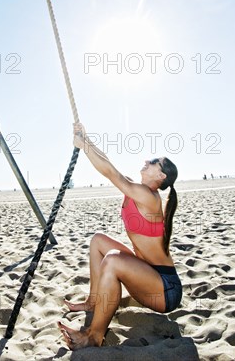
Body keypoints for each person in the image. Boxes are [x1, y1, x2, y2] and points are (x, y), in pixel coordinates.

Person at [58, 123, 182, 350]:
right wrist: (87, 139)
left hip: (165, 289)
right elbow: (110, 166)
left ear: (161, 175)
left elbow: (110, 173)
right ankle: (93, 302)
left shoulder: (149, 197)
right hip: (147, 277)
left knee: (113, 260)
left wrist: (84, 146)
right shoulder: (137, 189)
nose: (148, 160)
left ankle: (94, 336)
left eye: (154, 162)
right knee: (98, 241)